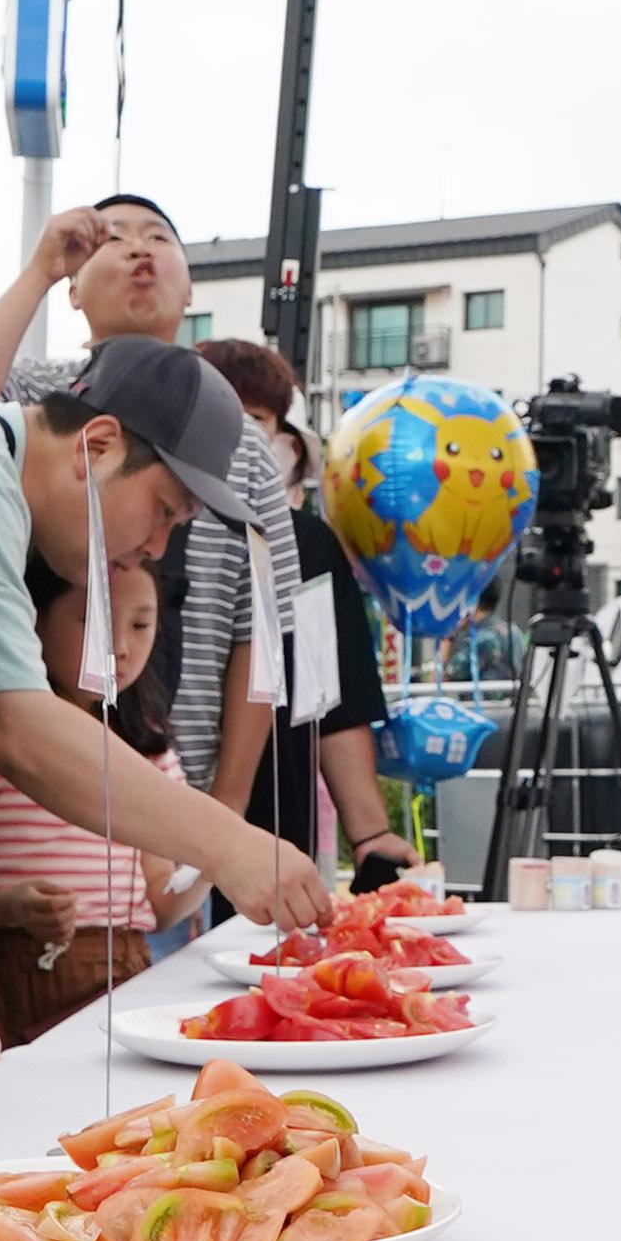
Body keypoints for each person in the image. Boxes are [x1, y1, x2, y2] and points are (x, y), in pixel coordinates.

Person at [0, 335, 338, 936]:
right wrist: (228, 843)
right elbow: (13, 725)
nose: (157, 550)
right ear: (98, 445)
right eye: (164, 510)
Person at [0, 193, 299, 817]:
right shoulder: (35, 399)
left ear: (193, 288)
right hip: (14, 781)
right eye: (113, 238)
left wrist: (225, 802)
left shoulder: (245, 447)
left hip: (178, 775)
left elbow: (265, 628)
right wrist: (38, 272)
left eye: (160, 238)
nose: (140, 248)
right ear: (74, 290)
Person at [0, 560, 198, 1042]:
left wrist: (213, 863)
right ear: (36, 618)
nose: (120, 647)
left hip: (123, 984)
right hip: (6, 989)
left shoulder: (147, 753)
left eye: (140, 624)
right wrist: (6, 908)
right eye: (94, 619)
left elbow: (160, 905)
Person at [197, 334, 418, 882]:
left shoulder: (307, 545)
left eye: (257, 418)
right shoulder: (142, 525)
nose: (241, 435)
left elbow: (331, 697)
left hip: (273, 820)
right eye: (222, 412)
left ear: (287, 441)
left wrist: (370, 833)